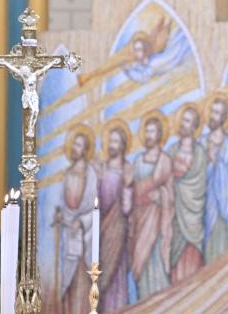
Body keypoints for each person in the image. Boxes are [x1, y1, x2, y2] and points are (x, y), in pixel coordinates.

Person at [128, 111, 174, 300]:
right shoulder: (138, 161)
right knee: (141, 263)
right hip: (140, 220)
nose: (149, 136)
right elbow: (133, 191)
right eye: (146, 132)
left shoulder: (165, 161)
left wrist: (161, 196)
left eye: (152, 132)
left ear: (160, 134)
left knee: (155, 260)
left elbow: (170, 194)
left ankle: (159, 302)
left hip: (157, 221)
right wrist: (141, 194)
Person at [54, 124, 98, 314]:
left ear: (86, 149)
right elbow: (63, 207)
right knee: (68, 281)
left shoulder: (91, 175)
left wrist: (81, 222)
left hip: (85, 237)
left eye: (79, 145)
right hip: (68, 235)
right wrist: (61, 217)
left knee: (83, 280)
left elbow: (95, 209)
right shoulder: (67, 174)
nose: (75, 148)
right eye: (74, 144)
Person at [168, 104, 207, 283]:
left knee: (192, 257)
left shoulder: (199, 153)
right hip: (174, 214)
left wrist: (183, 187)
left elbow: (200, 183)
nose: (185, 124)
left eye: (189, 121)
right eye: (184, 120)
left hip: (193, 214)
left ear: (195, 126)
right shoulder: (171, 151)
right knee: (174, 255)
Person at [97, 119, 133, 310]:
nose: (112, 145)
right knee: (101, 276)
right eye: (110, 141)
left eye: (116, 142)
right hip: (102, 230)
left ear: (123, 146)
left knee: (116, 274)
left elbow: (127, 208)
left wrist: (127, 186)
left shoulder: (127, 170)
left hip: (118, 230)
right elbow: (95, 203)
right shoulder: (101, 169)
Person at [200, 96, 228, 263]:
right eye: (212, 112)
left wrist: (217, 162)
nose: (213, 116)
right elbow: (198, 173)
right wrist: (208, 162)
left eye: (217, 113)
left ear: (223, 118)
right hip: (205, 202)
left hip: (223, 203)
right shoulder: (202, 142)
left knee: (221, 240)